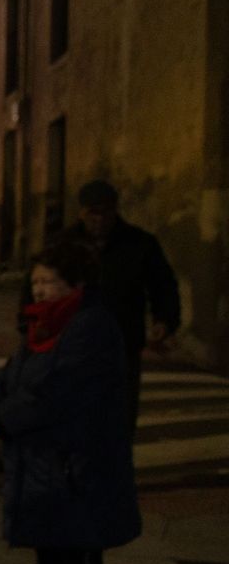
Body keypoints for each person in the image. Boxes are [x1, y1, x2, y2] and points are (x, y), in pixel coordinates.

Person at [0, 239, 140, 564]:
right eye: (35, 281)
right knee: (50, 545)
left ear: (75, 284)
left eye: (49, 281)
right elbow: (16, 372)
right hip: (44, 459)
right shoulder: (43, 323)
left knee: (76, 550)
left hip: (77, 459)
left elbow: (57, 392)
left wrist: (4, 416)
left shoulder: (90, 326)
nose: (39, 289)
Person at [63, 179, 182, 433]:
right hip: (73, 343)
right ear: (81, 212)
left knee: (120, 415)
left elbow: (162, 284)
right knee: (75, 414)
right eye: (93, 212)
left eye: (106, 212)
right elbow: (38, 284)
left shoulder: (139, 244)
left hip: (122, 342)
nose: (100, 219)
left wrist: (164, 320)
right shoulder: (65, 244)